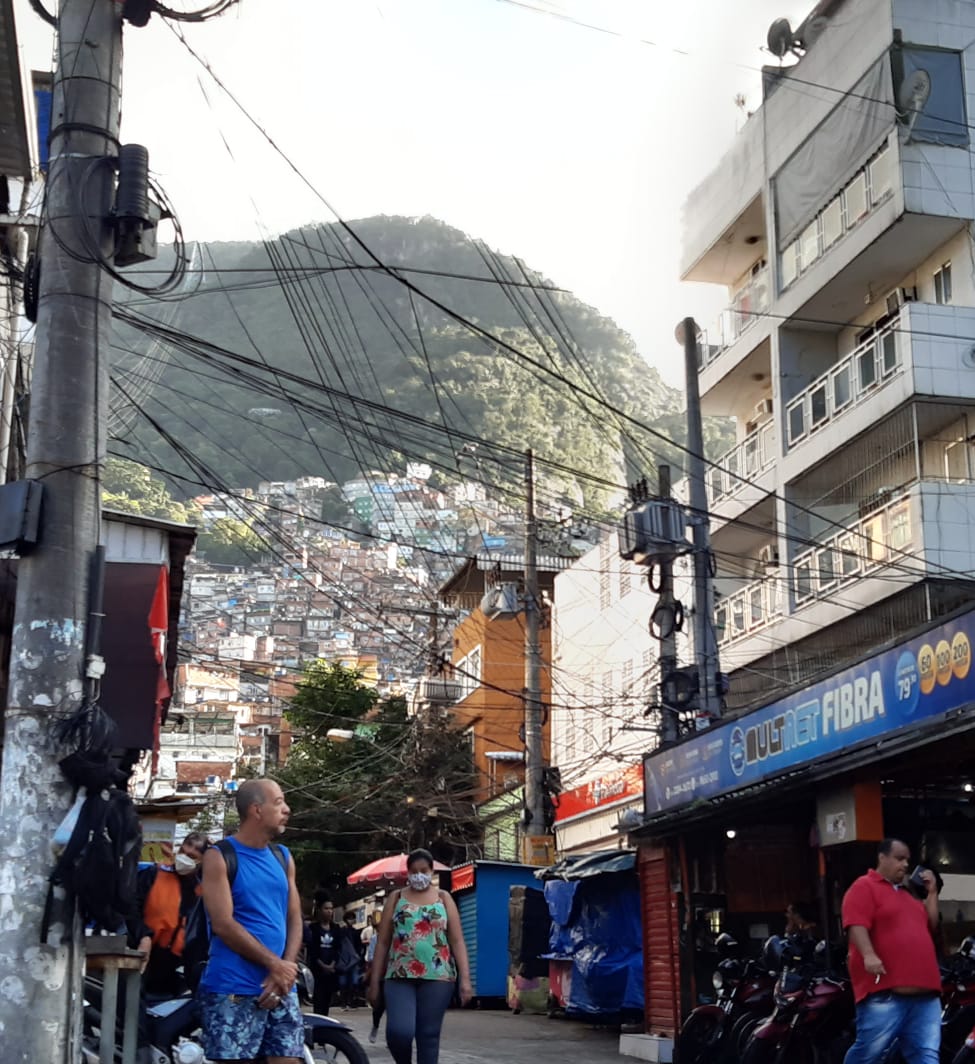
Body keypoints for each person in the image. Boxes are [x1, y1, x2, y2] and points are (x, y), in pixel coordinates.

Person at [199, 778, 304, 1064]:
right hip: (234, 986)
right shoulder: (220, 856)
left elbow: (294, 917)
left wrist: (286, 971)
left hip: (281, 987)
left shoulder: (282, 857)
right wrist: (274, 965)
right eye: (279, 802)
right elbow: (222, 923)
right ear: (257, 810)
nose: (287, 809)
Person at [841, 838, 941, 1064]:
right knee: (869, 1054)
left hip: (925, 993)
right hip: (886, 990)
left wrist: (932, 894)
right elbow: (855, 923)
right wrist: (868, 953)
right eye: (899, 858)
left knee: (926, 1055)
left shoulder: (909, 895)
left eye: (907, 859)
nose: (905, 864)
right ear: (882, 858)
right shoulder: (864, 886)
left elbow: (930, 925)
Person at [368, 848, 472, 1064]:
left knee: (428, 1036)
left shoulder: (444, 898)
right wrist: (374, 982)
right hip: (399, 975)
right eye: (414, 871)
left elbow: (457, 940)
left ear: (431, 870)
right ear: (408, 873)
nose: (419, 876)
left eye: (423, 870)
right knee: (399, 1032)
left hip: (438, 977)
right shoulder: (396, 898)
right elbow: (383, 942)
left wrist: (466, 980)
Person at [132, 831, 209, 995]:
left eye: (192, 856)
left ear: (201, 861)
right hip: (144, 954)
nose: (185, 858)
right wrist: (143, 935)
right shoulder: (153, 874)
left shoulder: (201, 891)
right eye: (183, 852)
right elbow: (131, 909)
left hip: (176, 966)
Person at [305, 895, 340, 1015]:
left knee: (327, 1003)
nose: (329, 911)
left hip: (331, 971)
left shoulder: (336, 928)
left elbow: (337, 949)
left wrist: (332, 965)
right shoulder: (313, 928)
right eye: (326, 908)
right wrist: (322, 965)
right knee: (318, 1002)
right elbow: (312, 950)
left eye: (331, 908)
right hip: (317, 971)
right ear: (319, 910)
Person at [336, 909, 365, 1008]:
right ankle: (345, 1001)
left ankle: (349, 1001)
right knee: (345, 981)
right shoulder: (343, 932)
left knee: (352, 981)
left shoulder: (354, 932)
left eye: (353, 918)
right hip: (349, 960)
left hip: (350, 960)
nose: (352, 920)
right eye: (350, 918)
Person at [364, 917, 385, 1044]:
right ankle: (375, 1026)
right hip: (380, 975)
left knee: (393, 1009)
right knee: (378, 1007)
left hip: (392, 976)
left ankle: (392, 1037)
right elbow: (371, 957)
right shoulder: (375, 940)